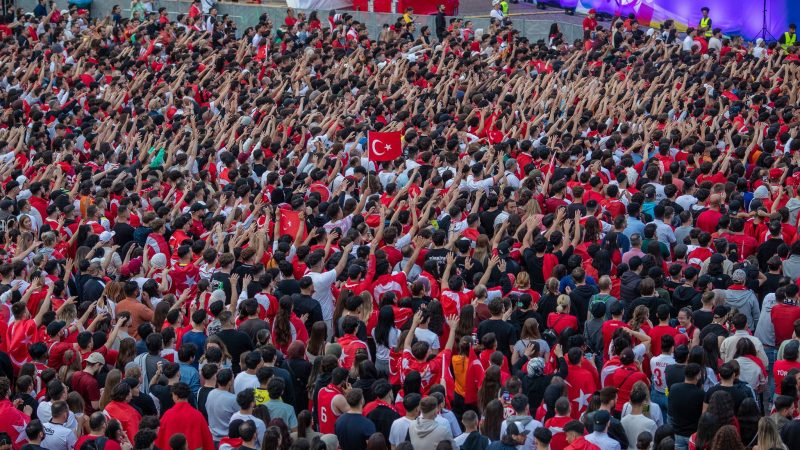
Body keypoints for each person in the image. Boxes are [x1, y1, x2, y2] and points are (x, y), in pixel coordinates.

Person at [668, 363, 706, 450]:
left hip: (677, 433)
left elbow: (670, 414)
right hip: (692, 435)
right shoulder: (701, 394)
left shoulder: (674, 388)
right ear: (697, 376)